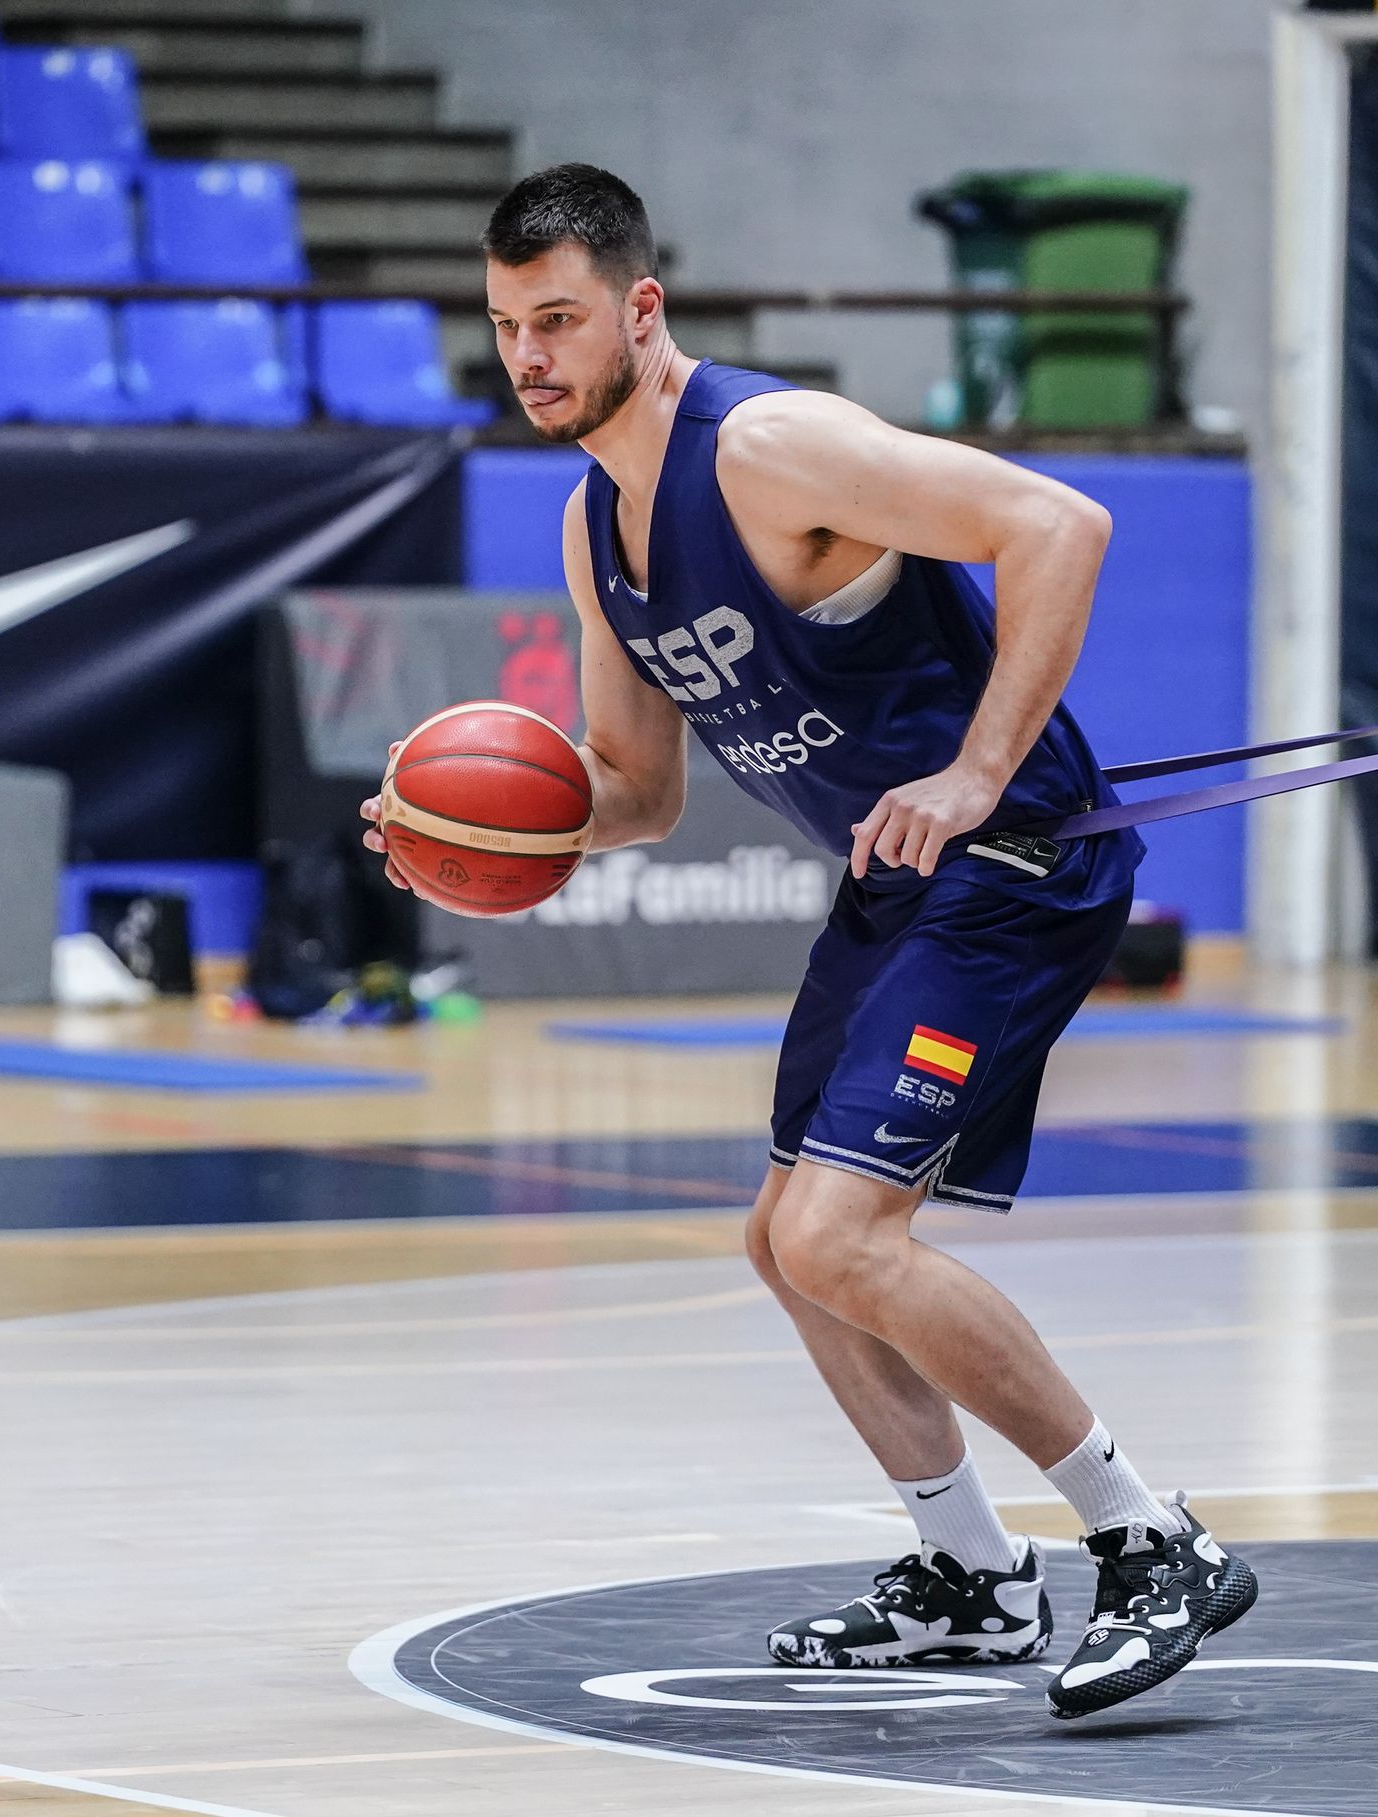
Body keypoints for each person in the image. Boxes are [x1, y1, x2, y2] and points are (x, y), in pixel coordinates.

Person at [360, 162, 1256, 1720]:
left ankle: (1148, 1536)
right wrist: (479, 846)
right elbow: (636, 793)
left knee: (845, 1238)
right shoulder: (597, 531)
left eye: (559, 319)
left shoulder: (771, 449)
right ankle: (970, 1573)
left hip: (1018, 864)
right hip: (899, 883)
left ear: (642, 308)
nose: (531, 359)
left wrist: (977, 768)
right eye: (508, 327)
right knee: (785, 1245)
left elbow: (1060, 522)